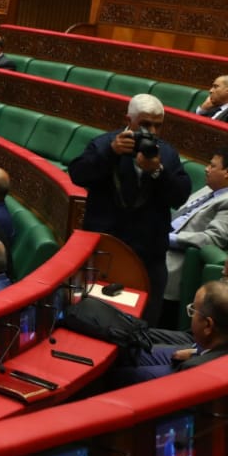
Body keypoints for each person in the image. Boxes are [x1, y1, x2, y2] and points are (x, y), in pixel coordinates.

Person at [69, 93, 191, 324]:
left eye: (158, 125)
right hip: (106, 249)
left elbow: (180, 195)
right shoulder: (105, 143)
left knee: (145, 321)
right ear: (129, 120)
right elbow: (78, 174)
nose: (152, 131)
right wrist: (110, 153)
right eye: (145, 124)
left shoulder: (166, 153)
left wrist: (158, 171)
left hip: (149, 254)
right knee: (94, 317)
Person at [107, 280, 228, 385]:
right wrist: (196, 352)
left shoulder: (194, 368)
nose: (191, 314)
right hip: (199, 351)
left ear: (208, 325)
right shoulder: (219, 343)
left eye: (193, 310)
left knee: (119, 375)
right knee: (129, 352)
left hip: (181, 376)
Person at [166, 148, 228, 307]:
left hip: (176, 260)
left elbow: (212, 239)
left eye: (212, 166)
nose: (206, 169)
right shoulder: (210, 188)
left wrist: (165, 238)